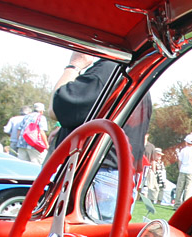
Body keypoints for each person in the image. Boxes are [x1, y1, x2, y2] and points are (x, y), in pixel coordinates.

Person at [50, 51, 152, 221]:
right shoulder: (137, 77)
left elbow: (56, 108)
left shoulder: (107, 71)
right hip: (118, 179)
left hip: (96, 177)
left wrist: (74, 65)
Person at [173, 136, 192, 208]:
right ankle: (185, 206)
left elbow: (179, 161)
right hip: (191, 171)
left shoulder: (183, 150)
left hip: (183, 170)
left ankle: (177, 205)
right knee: (189, 189)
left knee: (179, 188)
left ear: (186, 142)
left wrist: (180, 169)